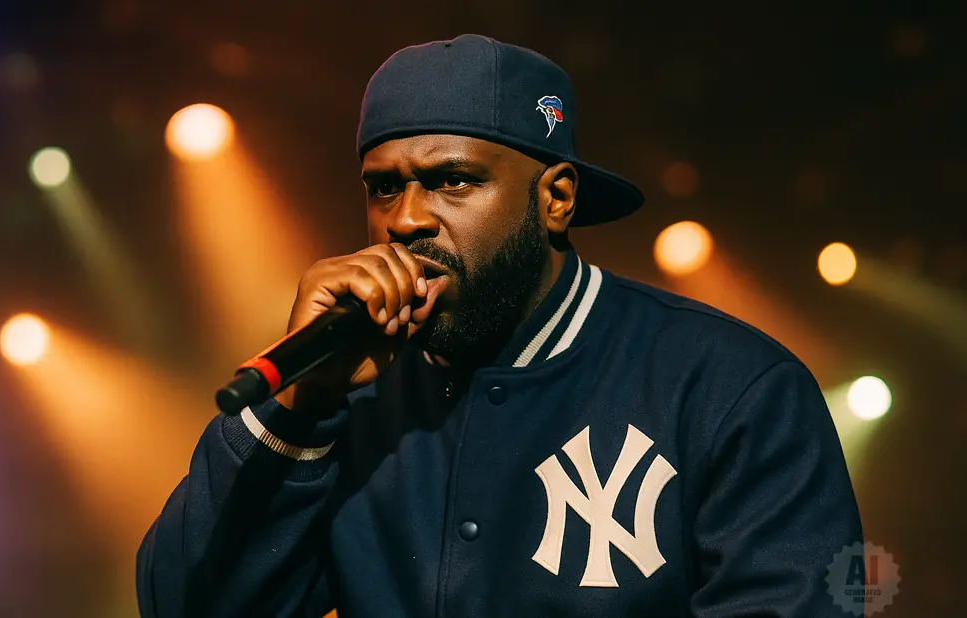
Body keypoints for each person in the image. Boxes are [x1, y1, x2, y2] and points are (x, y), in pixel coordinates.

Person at [137, 34, 863, 618]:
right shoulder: (346, 394)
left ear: (555, 200)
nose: (406, 218)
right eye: (383, 187)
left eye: (453, 180)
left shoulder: (726, 386)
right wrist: (301, 408)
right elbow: (185, 604)